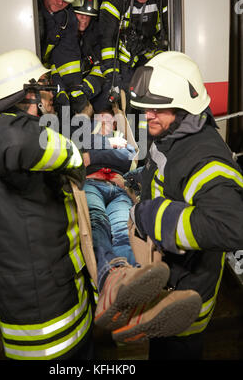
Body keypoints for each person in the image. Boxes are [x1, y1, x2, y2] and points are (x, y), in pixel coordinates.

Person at [116, 51, 243, 359]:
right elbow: (167, 174)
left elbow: (232, 225)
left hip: (185, 301)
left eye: (158, 110)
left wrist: (153, 215)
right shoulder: (175, 135)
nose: (148, 116)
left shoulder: (204, 157)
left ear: (186, 108)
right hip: (168, 289)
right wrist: (136, 180)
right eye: (147, 109)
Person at [0, 49, 94, 360]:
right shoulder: (1, 132)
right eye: (43, 84)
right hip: (43, 321)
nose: (50, 91)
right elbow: (23, 142)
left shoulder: (17, 129)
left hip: (61, 288)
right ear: (27, 93)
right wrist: (74, 156)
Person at [81, 108, 202, 335]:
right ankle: (112, 275)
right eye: (100, 120)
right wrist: (101, 152)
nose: (105, 122)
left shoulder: (122, 142)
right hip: (91, 184)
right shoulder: (85, 138)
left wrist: (96, 155)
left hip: (119, 188)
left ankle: (133, 283)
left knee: (122, 229)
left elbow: (128, 160)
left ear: (116, 124)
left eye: (109, 119)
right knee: (97, 223)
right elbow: (80, 159)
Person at [99, 0, 168, 102]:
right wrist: (113, 79)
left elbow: (167, 32)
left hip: (150, 57)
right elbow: (107, 40)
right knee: (125, 102)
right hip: (121, 61)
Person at [37, 0, 88, 114]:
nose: (60, 3)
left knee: (63, 102)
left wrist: (75, 89)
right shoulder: (29, 5)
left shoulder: (67, 18)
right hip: (25, 71)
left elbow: (68, 55)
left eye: (66, 1)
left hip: (48, 68)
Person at [71, 0, 104, 103]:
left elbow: (100, 65)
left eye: (88, 15)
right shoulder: (63, 34)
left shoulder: (96, 35)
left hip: (88, 88)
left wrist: (86, 88)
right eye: (80, 13)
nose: (84, 18)